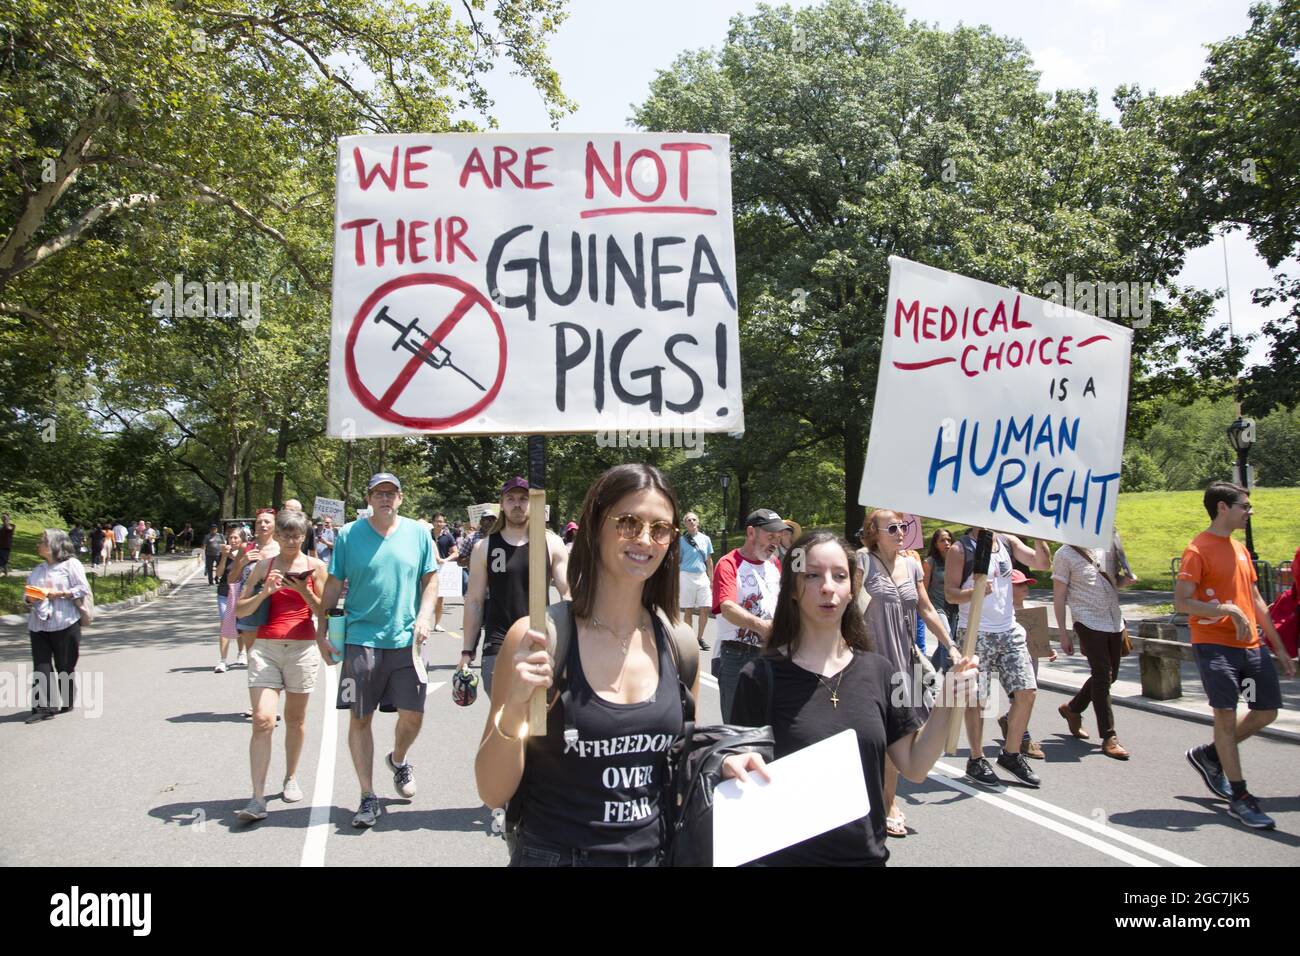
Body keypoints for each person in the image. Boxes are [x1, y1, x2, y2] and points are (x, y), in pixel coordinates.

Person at [475, 463, 695, 867]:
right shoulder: (537, 637)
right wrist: (516, 706)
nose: (644, 539)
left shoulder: (679, 644)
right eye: (628, 523)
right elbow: (492, 790)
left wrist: (727, 761)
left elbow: (682, 771)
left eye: (660, 529)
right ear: (595, 526)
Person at [726, 531, 979, 866]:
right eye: (812, 575)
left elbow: (915, 766)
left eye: (840, 576)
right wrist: (729, 765)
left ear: (852, 590)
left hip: (866, 858)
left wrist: (948, 700)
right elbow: (741, 784)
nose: (828, 587)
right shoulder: (759, 678)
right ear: (793, 591)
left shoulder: (880, 671)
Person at [315, 474, 439, 828]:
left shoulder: (418, 533)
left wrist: (425, 615)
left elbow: (430, 579)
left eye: (391, 493)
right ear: (369, 498)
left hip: (407, 641)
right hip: (360, 639)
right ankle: (367, 796)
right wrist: (321, 629)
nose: (385, 498)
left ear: (400, 498)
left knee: (413, 714)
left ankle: (398, 760)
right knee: (360, 717)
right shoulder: (349, 534)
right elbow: (334, 583)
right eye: (378, 493)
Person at [1176, 482, 1295, 829]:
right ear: (1223, 508)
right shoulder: (1197, 550)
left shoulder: (1240, 550)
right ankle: (1239, 796)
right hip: (1215, 647)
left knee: (1266, 711)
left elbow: (1256, 599)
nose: (1250, 511)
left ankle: (1210, 754)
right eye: (1244, 505)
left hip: (1251, 649)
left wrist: (1280, 647)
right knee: (1225, 715)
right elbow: (1182, 602)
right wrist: (1227, 609)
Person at [856, 510, 957, 837]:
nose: (902, 532)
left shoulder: (912, 564)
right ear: (875, 532)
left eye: (904, 526)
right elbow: (849, 608)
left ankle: (889, 801)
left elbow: (925, 608)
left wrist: (950, 644)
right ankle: (864, 798)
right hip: (868, 662)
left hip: (903, 662)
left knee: (899, 736)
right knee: (871, 737)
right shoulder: (863, 562)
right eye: (894, 527)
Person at [233, 510, 327, 822]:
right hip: (266, 649)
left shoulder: (316, 567)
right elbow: (240, 610)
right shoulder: (264, 565)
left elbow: (326, 613)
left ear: (304, 537)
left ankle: (290, 777)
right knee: (262, 720)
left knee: (295, 720)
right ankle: (257, 798)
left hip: (302, 648)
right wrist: (265, 592)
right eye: (285, 534)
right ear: (277, 536)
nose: (290, 539)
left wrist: (304, 590)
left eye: (296, 534)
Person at [945, 525, 1051, 788]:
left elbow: (1042, 563)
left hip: (1008, 630)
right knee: (977, 702)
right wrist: (976, 592)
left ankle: (1011, 754)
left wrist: (1042, 532)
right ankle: (976, 758)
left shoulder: (1007, 541)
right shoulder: (961, 550)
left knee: (1027, 691)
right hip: (975, 632)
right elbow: (950, 594)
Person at [460, 478, 570, 699]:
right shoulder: (484, 547)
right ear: (502, 504)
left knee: (543, 721)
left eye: (523, 499)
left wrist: (571, 644)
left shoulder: (552, 543)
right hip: (498, 642)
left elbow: (568, 595)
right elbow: (474, 602)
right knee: (503, 719)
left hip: (541, 640)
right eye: (510, 499)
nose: (517, 504)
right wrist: (466, 652)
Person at [1052, 535, 1134, 759]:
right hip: (1087, 620)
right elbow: (1058, 596)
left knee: (1110, 675)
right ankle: (1109, 737)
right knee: (1102, 675)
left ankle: (1073, 708)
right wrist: (1063, 632)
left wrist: (1125, 580)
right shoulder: (1064, 554)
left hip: (1114, 620)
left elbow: (1114, 581)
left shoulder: (1103, 547)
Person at [712, 509, 785, 721]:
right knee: (737, 728)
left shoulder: (774, 565)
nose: (775, 543)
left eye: (778, 538)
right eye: (770, 536)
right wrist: (763, 627)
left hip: (771, 656)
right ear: (751, 532)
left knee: (769, 726)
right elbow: (727, 607)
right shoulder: (729, 564)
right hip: (737, 657)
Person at [23, 529, 92, 722]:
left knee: (65, 665)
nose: (39, 544)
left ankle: (67, 699)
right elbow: (28, 594)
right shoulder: (38, 569)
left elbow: (82, 588)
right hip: (39, 624)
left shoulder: (71, 565)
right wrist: (29, 598)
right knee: (42, 665)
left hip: (65, 622)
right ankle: (43, 708)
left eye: (42, 541)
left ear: (54, 545)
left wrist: (58, 594)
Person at [678, 511, 715, 652]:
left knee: (705, 608)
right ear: (685, 524)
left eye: (694, 519)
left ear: (698, 522)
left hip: (702, 576)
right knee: (688, 609)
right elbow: (678, 560)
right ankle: (690, 639)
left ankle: (700, 638)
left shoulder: (706, 539)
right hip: (686, 575)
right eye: (688, 520)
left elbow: (709, 560)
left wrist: (711, 578)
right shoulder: (681, 541)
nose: (691, 521)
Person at [923, 528, 958, 667]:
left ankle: (932, 669)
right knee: (947, 639)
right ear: (935, 544)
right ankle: (946, 675)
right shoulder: (929, 562)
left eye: (949, 539)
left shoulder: (956, 562)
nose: (947, 543)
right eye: (942, 540)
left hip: (953, 607)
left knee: (947, 641)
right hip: (937, 607)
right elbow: (923, 590)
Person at [214, 528, 246, 672]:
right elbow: (219, 573)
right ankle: (223, 660)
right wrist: (224, 557)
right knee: (225, 625)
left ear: (242, 540)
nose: (232, 541)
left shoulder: (246, 554)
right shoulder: (224, 554)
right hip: (224, 593)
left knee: (241, 625)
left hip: (240, 593)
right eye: (230, 538)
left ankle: (241, 653)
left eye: (236, 538)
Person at [431, 512, 459, 632]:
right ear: (432, 522)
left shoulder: (448, 536)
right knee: (424, 596)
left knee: (439, 598)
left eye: (441, 521)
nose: (439, 523)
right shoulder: (426, 534)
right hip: (426, 568)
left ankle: (437, 623)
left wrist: (445, 560)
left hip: (442, 569)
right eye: (437, 521)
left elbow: (455, 552)